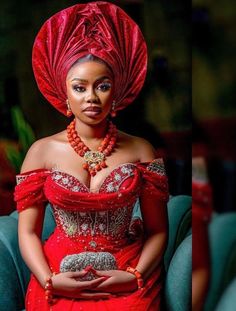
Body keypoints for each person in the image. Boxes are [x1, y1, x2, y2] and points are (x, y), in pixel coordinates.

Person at [14, 2, 169, 310]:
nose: (91, 98)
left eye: (103, 86)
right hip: (57, 272)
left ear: (117, 92)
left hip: (126, 270)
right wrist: (49, 279)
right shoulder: (41, 151)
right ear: (65, 94)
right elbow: (28, 232)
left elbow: (159, 231)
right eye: (79, 87)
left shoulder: (141, 150)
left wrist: (134, 275)